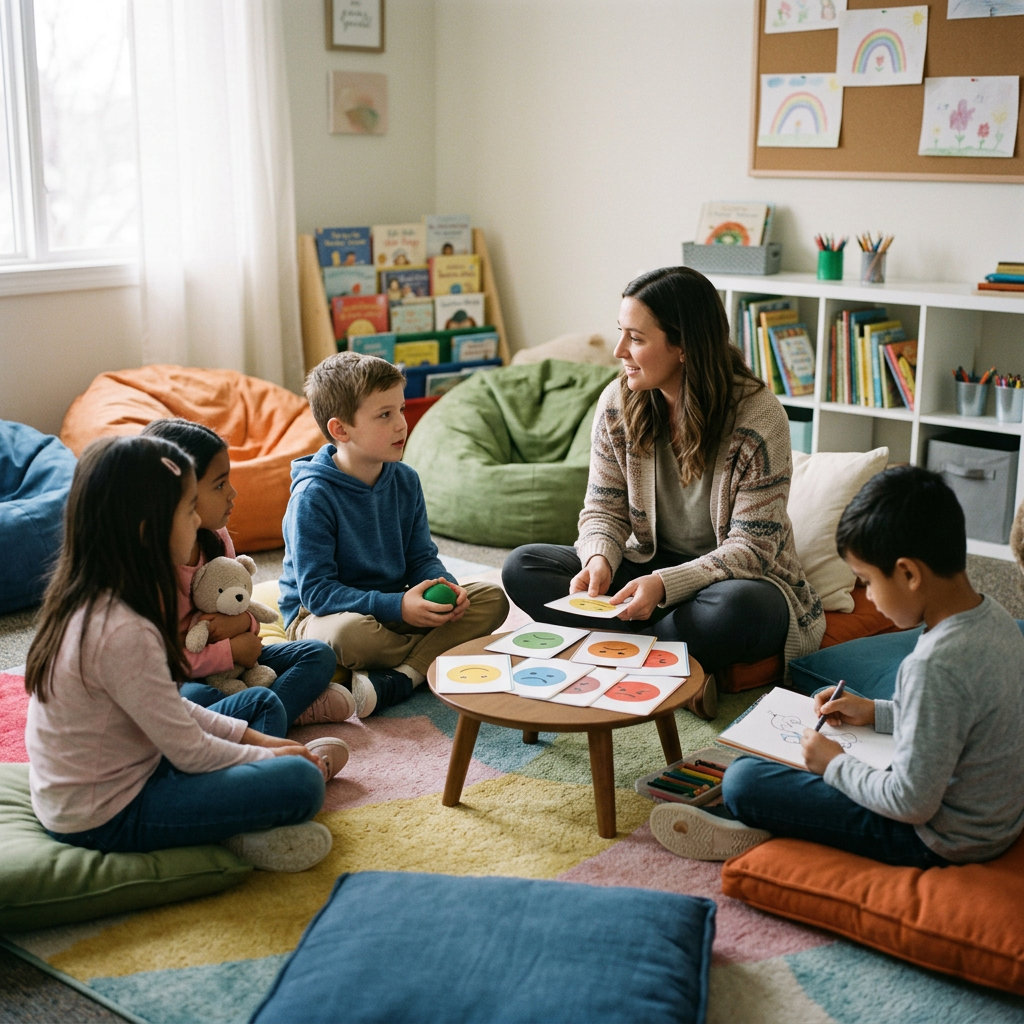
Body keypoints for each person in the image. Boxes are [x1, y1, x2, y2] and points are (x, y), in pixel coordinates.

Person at [650, 466, 1024, 867]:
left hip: (939, 838)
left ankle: (750, 822)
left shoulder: (933, 665)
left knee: (744, 780)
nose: (871, 598)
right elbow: (957, 717)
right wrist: (875, 712)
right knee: (796, 741)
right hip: (998, 821)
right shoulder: (999, 618)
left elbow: (909, 802)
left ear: (909, 573)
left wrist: (834, 764)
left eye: (867, 581)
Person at [502, 267, 823, 719]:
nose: (618, 352)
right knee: (524, 565)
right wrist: (599, 559)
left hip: (730, 581)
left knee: (740, 610)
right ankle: (675, 667)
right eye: (621, 334)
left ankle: (614, 653)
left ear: (684, 346)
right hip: (645, 566)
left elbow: (753, 549)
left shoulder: (758, 416)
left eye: (635, 338)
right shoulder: (618, 403)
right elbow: (602, 510)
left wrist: (665, 585)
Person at [24, 436, 348, 872]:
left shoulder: (97, 595)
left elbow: (172, 707)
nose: (199, 519)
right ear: (149, 529)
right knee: (303, 783)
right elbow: (190, 752)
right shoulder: (121, 629)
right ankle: (238, 832)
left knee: (241, 707)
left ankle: (238, 805)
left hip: (128, 768)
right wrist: (272, 757)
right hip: (104, 815)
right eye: (190, 508)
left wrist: (259, 739)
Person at [279, 352, 509, 716]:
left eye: (401, 410)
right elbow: (318, 593)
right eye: (385, 415)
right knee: (347, 637)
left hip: (394, 606)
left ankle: (404, 676)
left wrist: (448, 589)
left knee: (491, 598)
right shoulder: (313, 496)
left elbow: (421, 558)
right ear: (341, 430)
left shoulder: (405, 479)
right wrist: (399, 606)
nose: (402, 424)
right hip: (325, 615)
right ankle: (426, 661)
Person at [141, 419, 350, 726]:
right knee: (194, 700)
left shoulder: (216, 536)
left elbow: (240, 601)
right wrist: (229, 651)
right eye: (219, 484)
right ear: (179, 492)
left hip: (241, 662)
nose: (233, 493)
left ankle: (258, 716)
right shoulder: (151, 566)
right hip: (189, 674)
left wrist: (244, 621)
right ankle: (277, 716)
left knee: (318, 655)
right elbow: (162, 663)